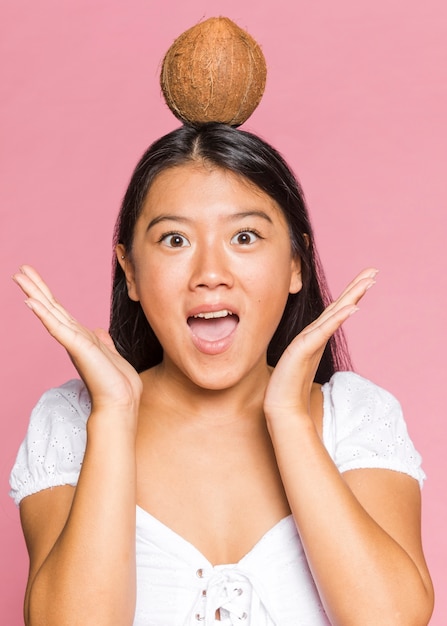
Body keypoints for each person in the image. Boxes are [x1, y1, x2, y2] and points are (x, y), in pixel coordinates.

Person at [10, 123, 434, 625]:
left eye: (244, 236)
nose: (210, 272)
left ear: (297, 263)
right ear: (130, 272)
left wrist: (290, 419)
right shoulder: (70, 423)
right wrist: (114, 417)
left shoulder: (358, 418)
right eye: (174, 239)